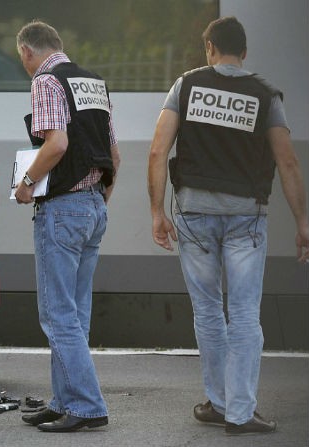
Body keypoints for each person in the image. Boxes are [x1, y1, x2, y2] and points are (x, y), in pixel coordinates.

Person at [147, 16, 309, 436]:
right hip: (245, 218)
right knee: (243, 312)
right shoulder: (265, 94)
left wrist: (156, 212)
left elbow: (157, 151)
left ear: (209, 48)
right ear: (245, 53)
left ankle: (218, 403)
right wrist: (303, 221)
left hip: (194, 214)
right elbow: (287, 161)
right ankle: (239, 411)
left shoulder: (185, 86)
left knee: (207, 312)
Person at [14, 21, 121, 433]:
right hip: (93, 205)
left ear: (27, 50)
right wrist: (97, 202)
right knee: (75, 314)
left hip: (63, 208)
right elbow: (114, 153)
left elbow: (56, 144)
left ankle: (88, 405)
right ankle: (64, 400)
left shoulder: (46, 80)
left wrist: (26, 184)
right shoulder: (93, 82)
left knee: (58, 315)